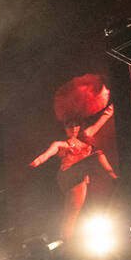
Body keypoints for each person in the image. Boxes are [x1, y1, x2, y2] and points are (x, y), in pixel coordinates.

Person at [30, 103, 116, 240]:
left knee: (73, 211)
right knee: (98, 155)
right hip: (67, 174)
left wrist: (112, 106)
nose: (74, 128)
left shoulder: (86, 137)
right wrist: (39, 161)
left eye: (76, 125)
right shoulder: (62, 144)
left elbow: (103, 119)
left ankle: (66, 239)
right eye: (70, 126)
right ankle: (114, 177)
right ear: (64, 128)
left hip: (79, 179)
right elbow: (48, 153)